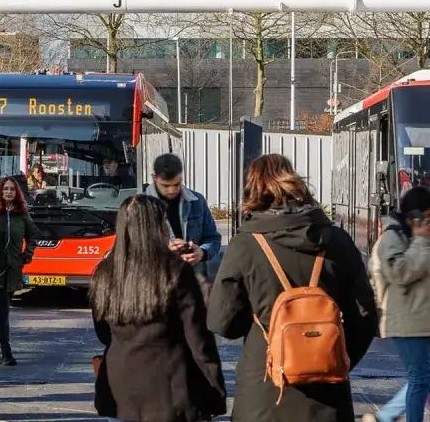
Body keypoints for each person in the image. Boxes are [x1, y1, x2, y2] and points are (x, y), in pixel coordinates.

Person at [208, 153, 377, 422]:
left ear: (252, 189)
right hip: (328, 398)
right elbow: (366, 317)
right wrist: (330, 357)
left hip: (263, 395)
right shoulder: (337, 241)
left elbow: (223, 323)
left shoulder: (246, 245)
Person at [91, 195, 226, 422]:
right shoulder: (175, 271)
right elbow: (198, 338)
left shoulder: (104, 273)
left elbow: (104, 334)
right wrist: (215, 389)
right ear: (157, 226)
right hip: (171, 386)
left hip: (120, 386)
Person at [363, 186, 430, 422]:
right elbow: (398, 272)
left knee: (422, 377)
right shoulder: (394, 236)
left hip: (422, 318)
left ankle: (386, 417)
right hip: (406, 322)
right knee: (420, 378)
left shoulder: (418, 235)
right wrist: (421, 242)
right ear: (415, 217)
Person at [0, 175, 39, 366]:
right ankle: (6, 351)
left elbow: (33, 236)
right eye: (5, 188)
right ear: (0, 191)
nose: (8, 192)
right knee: (3, 308)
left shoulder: (22, 214)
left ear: (17, 193)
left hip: (14, 268)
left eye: (12, 189)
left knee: (3, 311)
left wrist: (27, 254)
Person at [145, 153, 222, 284]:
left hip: (194, 282)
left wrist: (202, 252)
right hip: (156, 283)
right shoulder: (141, 206)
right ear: (154, 178)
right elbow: (133, 249)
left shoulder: (197, 201)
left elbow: (213, 238)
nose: (171, 190)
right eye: (165, 185)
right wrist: (164, 249)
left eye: (176, 184)